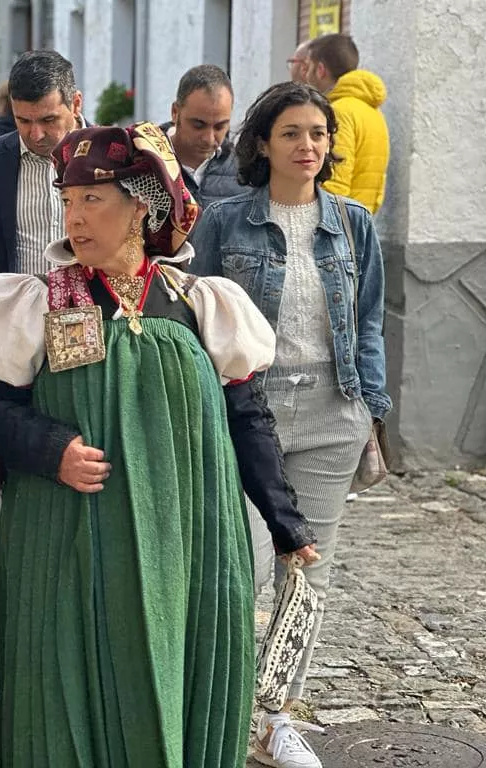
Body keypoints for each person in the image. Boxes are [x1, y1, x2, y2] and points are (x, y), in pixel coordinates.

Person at [0, 121, 316, 767]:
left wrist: (286, 523)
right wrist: (50, 449)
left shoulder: (199, 303)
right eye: (67, 200)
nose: (74, 217)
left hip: (188, 536)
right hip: (71, 535)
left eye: (93, 199)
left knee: (177, 666)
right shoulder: (42, 301)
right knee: (72, 680)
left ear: (142, 207)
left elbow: (245, 416)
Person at [190, 81, 391, 768]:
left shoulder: (353, 221)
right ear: (263, 144)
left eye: (318, 134)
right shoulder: (223, 221)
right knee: (236, 565)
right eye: (293, 134)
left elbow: (368, 319)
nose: (308, 146)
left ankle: (278, 720)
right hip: (249, 414)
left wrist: (369, 408)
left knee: (307, 571)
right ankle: (224, 707)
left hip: (332, 414)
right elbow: (198, 316)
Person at [0, 49, 84, 298]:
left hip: (98, 322)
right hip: (12, 324)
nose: (36, 134)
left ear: (76, 104)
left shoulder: (115, 157)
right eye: (23, 121)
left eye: (49, 120)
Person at [306, 33, 390, 214]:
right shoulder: (372, 111)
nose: (306, 75)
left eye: (309, 67)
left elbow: (334, 181)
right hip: (360, 222)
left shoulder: (339, 112)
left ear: (320, 69)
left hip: (339, 227)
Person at [163, 64, 245, 209]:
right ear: (175, 112)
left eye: (220, 126)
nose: (209, 138)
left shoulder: (244, 172)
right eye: (198, 125)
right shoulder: (143, 159)